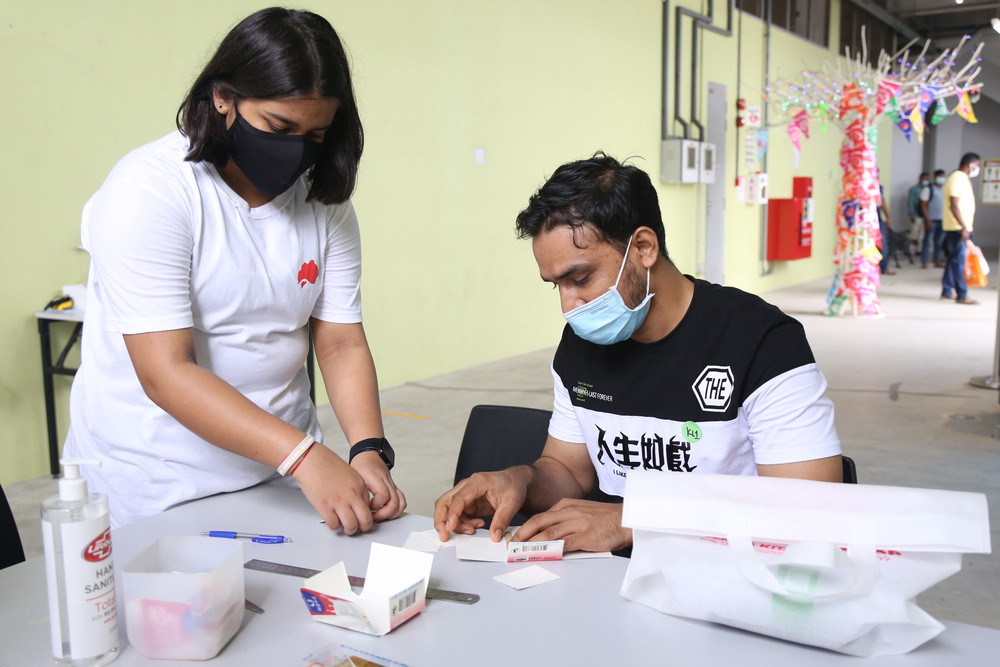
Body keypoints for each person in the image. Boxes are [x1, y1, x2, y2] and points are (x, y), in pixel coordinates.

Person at [64, 7, 406, 530]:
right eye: (279, 126)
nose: (296, 151)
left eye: (315, 135)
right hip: (159, 482)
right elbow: (166, 372)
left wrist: (366, 449)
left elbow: (339, 339)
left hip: (280, 471)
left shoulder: (324, 201)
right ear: (223, 97)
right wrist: (304, 456)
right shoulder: (151, 191)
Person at [434, 154, 842, 553]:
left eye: (580, 277)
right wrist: (520, 480)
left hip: (727, 572)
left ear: (644, 247)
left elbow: (806, 506)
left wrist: (632, 519)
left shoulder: (762, 342)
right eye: (555, 284)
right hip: (608, 577)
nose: (568, 305)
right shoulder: (581, 346)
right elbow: (568, 471)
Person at [941, 153, 981, 305]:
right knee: (958, 262)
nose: (977, 168)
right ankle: (962, 295)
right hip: (957, 227)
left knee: (953, 259)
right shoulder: (957, 178)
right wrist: (964, 227)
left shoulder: (963, 178)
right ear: (970, 164)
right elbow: (954, 204)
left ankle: (946, 290)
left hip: (961, 226)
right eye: (976, 165)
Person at [920, 169, 946, 269]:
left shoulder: (944, 189)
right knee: (927, 241)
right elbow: (923, 205)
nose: (942, 179)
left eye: (943, 177)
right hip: (931, 219)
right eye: (940, 177)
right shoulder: (928, 189)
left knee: (939, 242)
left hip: (942, 219)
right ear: (935, 177)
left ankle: (937, 260)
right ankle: (924, 261)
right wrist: (927, 219)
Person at [908, 171, 930, 261]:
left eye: (927, 179)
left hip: (925, 216)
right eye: (924, 178)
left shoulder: (929, 189)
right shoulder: (914, 189)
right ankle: (911, 251)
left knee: (922, 235)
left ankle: (919, 251)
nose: (925, 181)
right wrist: (911, 214)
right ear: (920, 178)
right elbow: (910, 203)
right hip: (916, 214)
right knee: (914, 234)